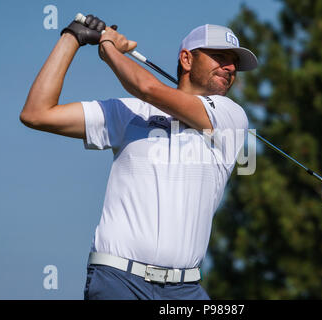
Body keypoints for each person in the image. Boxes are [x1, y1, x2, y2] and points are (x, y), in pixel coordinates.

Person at [20, 14, 258, 300]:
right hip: (117, 281)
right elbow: (36, 113)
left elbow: (148, 89)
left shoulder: (231, 116)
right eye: (220, 57)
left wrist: (108, 48)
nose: (230, 68)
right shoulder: (129, 113)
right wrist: (72, 38)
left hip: (185, 290)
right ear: (186, 59)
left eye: (234, 63)